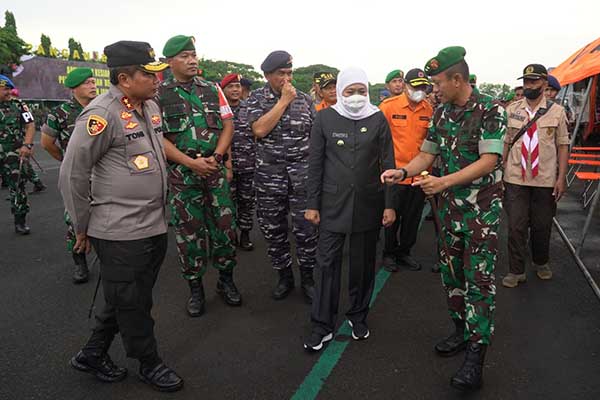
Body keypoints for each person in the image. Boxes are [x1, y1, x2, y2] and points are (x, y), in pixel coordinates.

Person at [59, 40, 183, 392]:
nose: (157, 79)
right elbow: (72, 174)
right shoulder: (101, 114)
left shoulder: (150, 105)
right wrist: (81, 226)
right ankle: (149, 363)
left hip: (153, 223)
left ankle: (92, 353)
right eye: (148, 74)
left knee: (125, 296)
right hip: (119, 231)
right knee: (135, 303)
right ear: (124, 79)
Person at [381, 46, 506, 391]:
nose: (432, 89)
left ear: (457, 78)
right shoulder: (441, 113)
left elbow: (489, 160)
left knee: (478, 282)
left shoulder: (490, 109)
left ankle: (476, 357)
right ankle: (461, 331)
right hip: (448, 210)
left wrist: (443, 182)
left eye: (437, 82)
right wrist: (403, 170)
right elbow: (427, 153)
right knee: (452, 277)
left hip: (480, 212)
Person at [304, 67, 396, 351]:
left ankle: (358, 315)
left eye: (361, 91)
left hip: (369, 204)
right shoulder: (324, 118)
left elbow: (388, 165)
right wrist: (312, 205)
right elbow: (315, 164)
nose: (356, 97)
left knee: (363, 265)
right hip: (332, 205)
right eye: (349, 91)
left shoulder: (378, 118)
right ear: (340, 91)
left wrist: (390, 205)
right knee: (326, 265)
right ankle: (322, 325)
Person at [158, 35, 241, 316]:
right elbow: (158, 138)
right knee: (188, 234)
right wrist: (191, 164)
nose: (192, 60)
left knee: (226, 229)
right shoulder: (158, 95)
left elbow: (228, 126)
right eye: (184, 56)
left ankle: (226, 281)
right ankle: (195, 288)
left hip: (214, 172)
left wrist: (217, 157)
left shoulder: (212, 88)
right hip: (183, 176)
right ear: (169, 61)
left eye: (193, 54)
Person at [247, 50, 318, 303]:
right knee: (274, 230)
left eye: (289, 73)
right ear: (267, 75)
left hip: (302, 178)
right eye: (281, 74)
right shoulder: (256, 98)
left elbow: (315, 138)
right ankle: (284, 276)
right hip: (269, 179)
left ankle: (308, 278)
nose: (287, 79)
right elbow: (259, 129)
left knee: (307, 231)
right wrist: (283, 102)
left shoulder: (305, 101)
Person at [501, 64, 569, 288]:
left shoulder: (557, 112)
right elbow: (506, 142)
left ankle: (541, 261)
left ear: (544, 83)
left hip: (545, 178)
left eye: (533, 81)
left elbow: (562, 145)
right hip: (515, 177)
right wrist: (500, 172)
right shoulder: (512, 110)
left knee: (542, 225)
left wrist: (561, 177)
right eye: (526, 81)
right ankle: (516, 270)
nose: (528, 85)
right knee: (516, 226)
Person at [42, 67, 97, 284]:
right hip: (77, 176)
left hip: (102, 173)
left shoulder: (102, 109)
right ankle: (80, 262)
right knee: (75, 219)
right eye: (87, 83)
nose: (93, 86)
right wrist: (67, 163)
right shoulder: (60, 113)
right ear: (75, 88)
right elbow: (47, 143)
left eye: (93, 82)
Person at [378, 68, 433, 272]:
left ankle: (405, 252)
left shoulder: (428, 109)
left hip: (419, 176)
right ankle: (389, 253)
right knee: (391, 217)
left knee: (412, 218)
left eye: (423, 88)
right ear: (406, 86)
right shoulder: (388, 106)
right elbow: (378, 140)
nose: (419, 91)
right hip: (394, 174)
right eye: (415, 87)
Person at [221, 72, 256, 251]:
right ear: (223, 89)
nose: (235, 90)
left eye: (238, 86)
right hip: (227, 165)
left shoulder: (250, 109)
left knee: (247, 201)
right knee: (227, 202)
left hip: (249, 165)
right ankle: (230, 235)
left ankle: (245, 234)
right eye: (231, 87)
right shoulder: (218, 110)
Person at [0, 74, 35, 234]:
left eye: (8, 89)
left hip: (13, 153)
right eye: (4, 89)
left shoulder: (19, 105)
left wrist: (27, 145)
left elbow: (30, 125)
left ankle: (20, 220)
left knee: (18, 186)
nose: (8, 92)